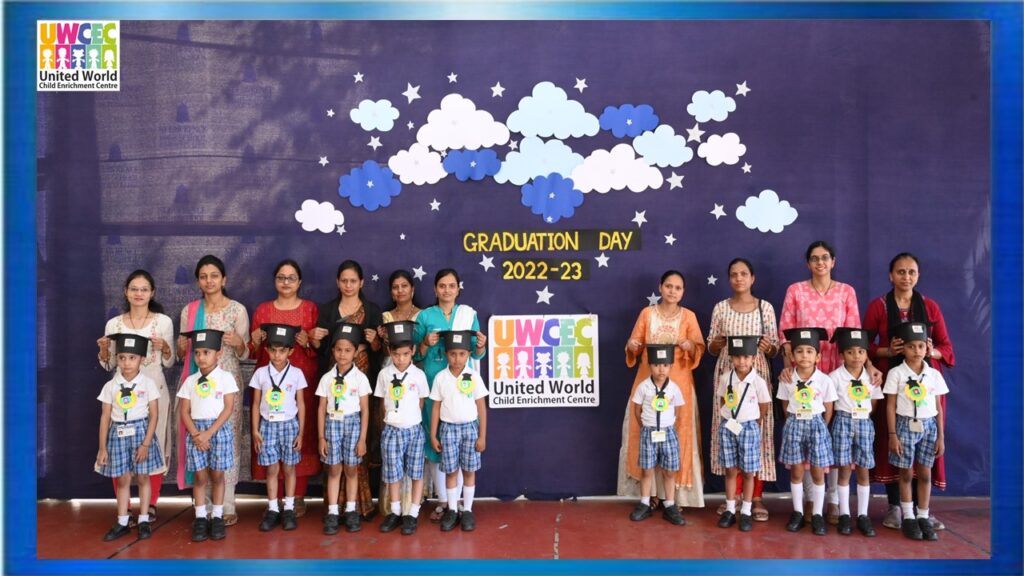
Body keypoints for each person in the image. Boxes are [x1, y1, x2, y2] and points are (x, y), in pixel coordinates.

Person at [778, 241, 880, 524]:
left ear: (833, 261)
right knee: (807, 435)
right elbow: (785, 335)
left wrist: (868, 365)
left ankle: (833, 499)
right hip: (804, 370)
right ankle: (811, 500)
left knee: (834, 437)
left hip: (838, 372)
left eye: (825, 258)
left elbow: (854, 335)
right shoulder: (795, 291)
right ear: (807, 263)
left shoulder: (846, 291)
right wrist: (788, 368)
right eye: (814, 258)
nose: (820, 262)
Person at [864, 252, 955, 531]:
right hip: (891, 382)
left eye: (911, 272)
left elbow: (947, 348)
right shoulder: (879, 306)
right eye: (900, 271)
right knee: (892, 441)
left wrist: (930, 351)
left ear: (918, 275)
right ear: (890, 276)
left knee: (925, 445)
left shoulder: (930, 307)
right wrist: (886, 351)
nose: (906, 277)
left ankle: (921, 511)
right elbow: (862, 345)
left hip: (925, 386)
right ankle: (896, 506)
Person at [175, 255, 249, 526]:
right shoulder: (190, 311)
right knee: (199, 439)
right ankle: (203, 506)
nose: (209, 281)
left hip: (227, 385)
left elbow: (245, 353)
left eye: (214, 275)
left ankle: (226, 504)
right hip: (197, 385)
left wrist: (239, 342)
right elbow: (183, 352)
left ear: (224, 279)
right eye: (204, 276)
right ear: (198, 281)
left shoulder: (237, 310)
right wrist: (181, 348)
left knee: (227, 441)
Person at [620, 270, 705, 508]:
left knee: (677, 434)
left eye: (678, 288)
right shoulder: (647, 314)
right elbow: (634, 345)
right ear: (660, 287)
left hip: (678, 385)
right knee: (645, 431)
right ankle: (650, 495)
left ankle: (675, 496)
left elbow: (699, 347)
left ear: (683, 292)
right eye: (668, 286)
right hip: (647, 383)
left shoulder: (688, 316)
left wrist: (690, 346)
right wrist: (632, 346)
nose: (672, 291)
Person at [97, 270, 174, 523]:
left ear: (152, 293)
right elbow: (109, 365)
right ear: (126, 292)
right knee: (119, 447)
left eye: (144, 289)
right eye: (134, 289)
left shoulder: (163, 322)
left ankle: (150, 505)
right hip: (122, 397)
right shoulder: (114, 324)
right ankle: (125, 508)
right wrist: (104, 351)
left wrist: (166, 348)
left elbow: (170, 361)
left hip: (154, 392)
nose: (139, 294)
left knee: (152, 446)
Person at [706, 258, 779, 521]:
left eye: (744, 274)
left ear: (752, 278)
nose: (739, 278)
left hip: (755, 375)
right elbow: (710, 347)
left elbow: (775, 347)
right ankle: (733, 497)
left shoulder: (765, 308)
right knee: (729, 432)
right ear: (729, 279)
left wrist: (768, 347)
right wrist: (716, 344)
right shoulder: (720, 308)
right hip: (728, 375)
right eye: (734, 274)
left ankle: (755, 497)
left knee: (757, 434)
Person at [247, 260, 320, 518]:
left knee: (299, 437)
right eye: (281, 277)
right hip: (268, 383)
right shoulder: (263, 310)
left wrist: (308, 341)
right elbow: (253, 351)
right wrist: (255, 341)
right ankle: (274, 499)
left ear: (299, 282)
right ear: (274, 281)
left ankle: (296, 496)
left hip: (300, 382)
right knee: (270, 438)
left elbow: (318, 348)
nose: (286, 282)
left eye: (291, 278)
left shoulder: (310, 309)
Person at [414, 269, 487, 522]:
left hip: (462, 389)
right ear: (435, 289)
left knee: (464, 449)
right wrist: (426, 342)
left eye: (452, 285)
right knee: (437, 443)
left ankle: (462, 506)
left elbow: (476, 354)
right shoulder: (425, 316)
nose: (447, 290)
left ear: (458, 289)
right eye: (442, 286)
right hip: (434, 383)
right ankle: (445, 502)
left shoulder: (468, 314)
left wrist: (481, 345)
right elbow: (415, 354)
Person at [311, 260, 382, 519]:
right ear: (337, 282)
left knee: (358, 446)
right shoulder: (328, 310)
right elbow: (322, 349)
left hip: (361, 380)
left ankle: (357, 506)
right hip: (334, 381)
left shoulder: (372, 311)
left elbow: (379, 351)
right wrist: (314, 339)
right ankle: (334, 508)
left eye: (353, 281)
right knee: (333, 455)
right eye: (344, 281)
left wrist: (375, 342)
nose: (349, 285)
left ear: (361, 282)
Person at [95, 334, 163, 541]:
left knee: (143, 477)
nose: (126, 363)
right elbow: (105, 417)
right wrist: (102, 448)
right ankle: (123, 521)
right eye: (122, 357)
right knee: (123, 479)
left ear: (142, 359)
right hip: (118, 434)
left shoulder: (148, 384)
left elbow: (154, 415)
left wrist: (146, 444)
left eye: (132, 358)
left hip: (141, 434)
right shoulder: (110, 386)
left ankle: (143, 519)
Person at [883, 321, 948, 542]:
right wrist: (893, 435)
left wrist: (941, 436)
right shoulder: (896, 373)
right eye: (911, 346)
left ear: (926, 348)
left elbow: (938, 407)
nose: (916, 351)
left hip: (929, 427)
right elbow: (890, 405)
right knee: (905, 473)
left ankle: (923, 515)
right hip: (904, 426)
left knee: (925, 473)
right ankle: (908, 516)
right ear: (903, 349)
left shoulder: (933, 375)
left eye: (921, 346)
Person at [176, 329, 239, 543]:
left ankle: (218, 516)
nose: (201, 357)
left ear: (218, 354)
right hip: (196, 433)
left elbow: (228, 408)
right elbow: (184, 411)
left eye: (206, 352)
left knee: (218, 476)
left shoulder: (225, 378)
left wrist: (209, 433)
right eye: (197, 353)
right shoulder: (190, 381)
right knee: (200, 477)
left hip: (218, 431)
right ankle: (201, 517)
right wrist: (196, 434)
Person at [429, 330, 489, 532]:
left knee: (469, 471)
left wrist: (482, 436)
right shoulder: (441, 378)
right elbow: (436, 408)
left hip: (470, 429)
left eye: (462, 354)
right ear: (446, 354)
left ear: (469, 354)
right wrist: (433, 435)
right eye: (453, 354)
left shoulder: (474, 377)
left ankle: (468, 509)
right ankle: (452, 510)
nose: (457, 358)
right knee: (451, 471)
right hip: (448, 430)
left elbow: (481, 407)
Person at [778, 328, 837, 536]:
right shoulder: (787, 379)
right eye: (800, 351)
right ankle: (798, 512)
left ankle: (818, 514)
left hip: (817, 424)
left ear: (818, 357)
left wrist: (821, 425)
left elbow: (829, 407)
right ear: (792, 356)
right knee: (796, 471)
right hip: (794, 423)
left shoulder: (825, 380)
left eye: (810, 351)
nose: (804, 355)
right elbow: (785, 404)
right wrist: (793, 420)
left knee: (818, 472)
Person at [249, 324, 307, 532]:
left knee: (289, 468)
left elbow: (301, 404)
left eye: (282, 351)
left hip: (290, 425)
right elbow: (256, 403)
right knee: (272, 469)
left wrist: (301, 433)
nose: (277, 355)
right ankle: (273, 508)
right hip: (267, 426)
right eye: (273, 350)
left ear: (290, 351)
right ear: (266, 350)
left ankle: (289, 508)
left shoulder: (297, 374)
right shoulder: (261, 373)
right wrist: (255, 430)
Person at [315, 322, 371, 535]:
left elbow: (365, 410)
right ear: (333, 351)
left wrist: (362, 439)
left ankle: (350, 510)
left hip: (353, 425)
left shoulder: (360, 378)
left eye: (348, 350)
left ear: (356, 352)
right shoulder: (327, 378)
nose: (342, 354)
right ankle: (332, 511)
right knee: (333, 469)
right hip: (332, 424)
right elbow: (321, 408)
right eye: (338, 349)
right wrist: (321, 437)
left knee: (351, 469)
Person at [375, 321, 429, 536]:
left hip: (414, 430)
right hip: (391, 430)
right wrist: (390, 420)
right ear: (390, 352)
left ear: (413, 351)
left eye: (405, 354)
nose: (401, 359)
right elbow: (382, 402)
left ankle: (412, 513)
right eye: (396, 354)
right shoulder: (384, 375)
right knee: (392, 472)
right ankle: (395, 511)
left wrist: (410, 418)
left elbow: (421, 401)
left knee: (416, 472)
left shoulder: (419, 375)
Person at [828, 327, 883, 537]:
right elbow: (830, 404)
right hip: (842, 421)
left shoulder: (872, 377)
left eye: (861, 351)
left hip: (864, 422)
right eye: (850, 352)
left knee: (863, 469)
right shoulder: (834, 377)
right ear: (842, 354)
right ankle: (844, 514)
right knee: (844, 470)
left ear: (866, 354)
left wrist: (863, 416)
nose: (856, 356)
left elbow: (874, 403)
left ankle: (862, 515)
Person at [376, 269, 422, 516]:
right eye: (395, 287)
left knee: (413, 456)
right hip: (390, 372)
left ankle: (411, 508)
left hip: (413, 373)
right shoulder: (386, 317)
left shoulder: (422, 315)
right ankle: (392, 508)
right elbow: (380, 348)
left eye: (404, 286)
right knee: (392, 456)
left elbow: (422, 347)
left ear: (412, 289)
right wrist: (379, 338)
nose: (400, 290)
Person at [715, 336, 771, 532]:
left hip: (749, 427)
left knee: (748, 471)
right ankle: (731, 509)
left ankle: (746, 511)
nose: (742, 361)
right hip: (729, 427)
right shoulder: (725, 378)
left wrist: (754, 422)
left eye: (746, 357)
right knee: (730, 469)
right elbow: (723, 400)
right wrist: (730, 419)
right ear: (731, 358)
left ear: (754, 358)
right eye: (737, 357)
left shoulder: (758, 381)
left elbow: (764, 404)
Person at [628, 344, 687, 526]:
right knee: (647, 470)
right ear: (650, 365)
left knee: (669, 471)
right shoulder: (643, 387)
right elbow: (637, 410)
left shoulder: (674, 388)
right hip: (649, 433)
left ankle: (669, 505)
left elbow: (678, 410)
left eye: (665, 365)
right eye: (656, 365)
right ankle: (645, 503)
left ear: (671, 366)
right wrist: (646, 427)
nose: (661, 369)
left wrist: (668, 425)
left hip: (668, 432)